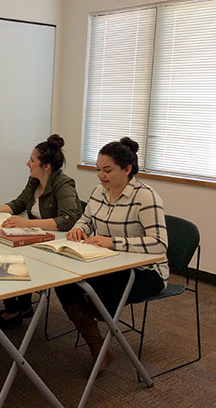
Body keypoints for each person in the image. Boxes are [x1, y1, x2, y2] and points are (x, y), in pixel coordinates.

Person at [57, 137, 168, 373]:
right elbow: (86, 219)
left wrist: (113, 242)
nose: (101, 176)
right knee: (64, 283)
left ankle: (97, 328)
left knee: (96, 289)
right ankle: (99, 347)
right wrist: (79, 228)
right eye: (99, 170)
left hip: (146, 272)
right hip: (108, 264)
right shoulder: (99, 192)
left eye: (107, 170)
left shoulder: (145, 197)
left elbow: (159, 245)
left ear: (127, 169)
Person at [0, 134, 83, 328]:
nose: (27, 164)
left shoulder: (63, 183)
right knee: (1, 251)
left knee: (9, 257)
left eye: (32, 160)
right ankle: (20, 306)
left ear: (46, 165)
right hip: (37, 239)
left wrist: (27, 226)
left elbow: (67, 220)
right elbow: (19, 203)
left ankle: (14, 310)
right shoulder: (34, 181)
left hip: (58, 244)